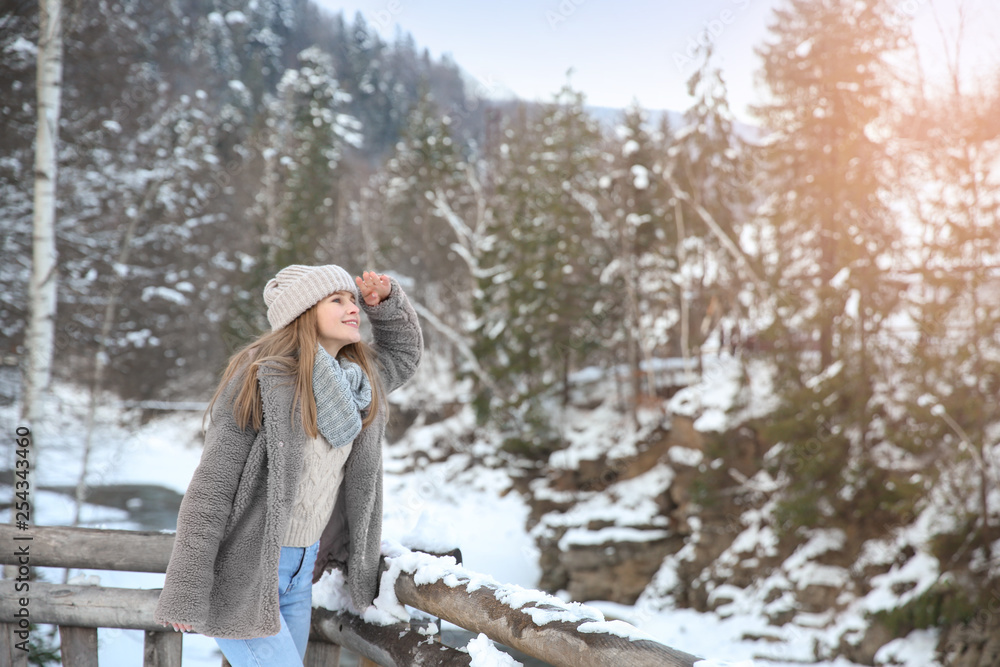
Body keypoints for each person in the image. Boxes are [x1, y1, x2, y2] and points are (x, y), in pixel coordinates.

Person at [153, 264, 423, 666]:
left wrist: (383, 305)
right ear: (303, 313)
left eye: (352, 299)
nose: (352, 308)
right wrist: (185, 590)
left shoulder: (358, 382)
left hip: (301, 572)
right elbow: (211, 487)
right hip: (245, 572)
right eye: (337, 300)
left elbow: (403, 356)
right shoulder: (262, 379)